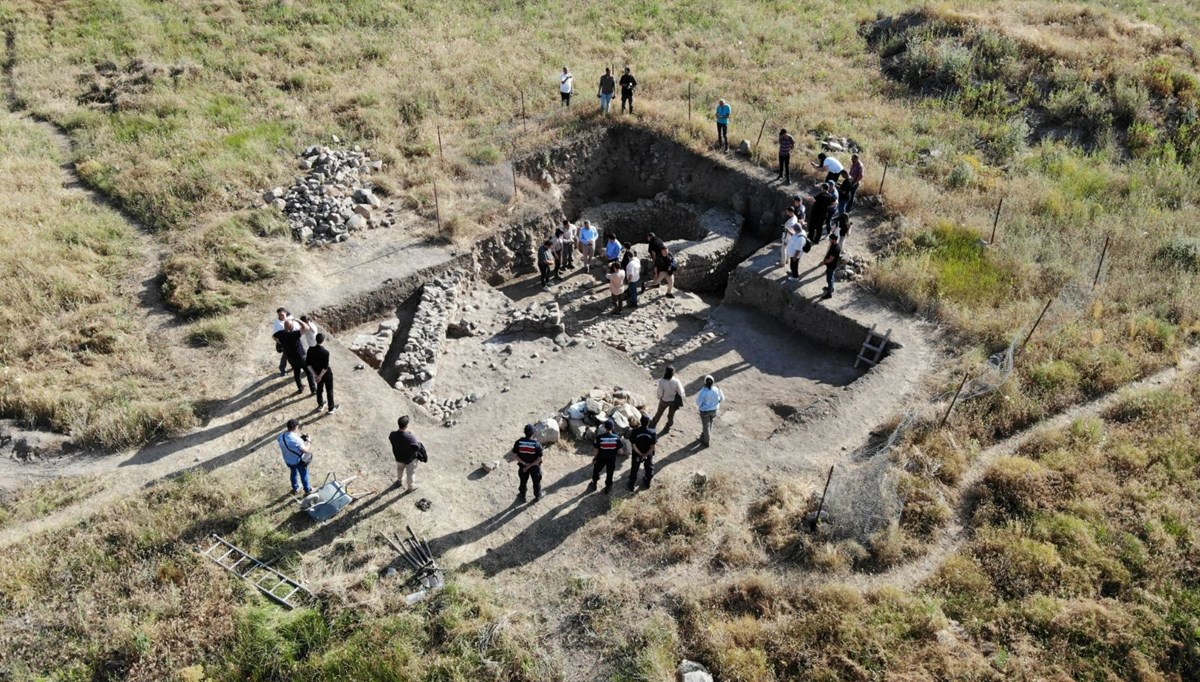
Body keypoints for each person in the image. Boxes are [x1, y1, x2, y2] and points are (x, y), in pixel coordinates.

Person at [274, 317, 317, 395]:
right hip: (301, 357)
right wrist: (297, 320)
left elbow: (273, 336)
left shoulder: (280, 333)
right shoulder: (294, 334)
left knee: (297, 373)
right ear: (291, 327)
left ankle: (300, 388)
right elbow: (306, 328)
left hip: (291, 358)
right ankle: (313, 389)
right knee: (309, 372)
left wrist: (279, 342)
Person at [277, 418, 313, 495]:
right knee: (304, 475)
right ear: (296, 427)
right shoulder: (296, 440)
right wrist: (309, 441)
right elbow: (306, 450)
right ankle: (308, 490)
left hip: (288, 460)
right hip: (298, 461)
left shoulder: (281, 436)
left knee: (293, 473)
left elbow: (288, 442)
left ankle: (296, 488)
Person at [305, 333, 338, 414]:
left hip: (316, 373)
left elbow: (308, 364)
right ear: (323, 341)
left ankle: (320, 405)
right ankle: (331, 408)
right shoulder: (325, 352)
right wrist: (320, 376)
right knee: (329, 390)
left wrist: (315, 375)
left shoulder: (310, 350)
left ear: (316, 340)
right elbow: (325, 367)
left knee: (319, 390)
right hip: (326, 374)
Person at [588, 419, 623, 494]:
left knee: (596, 470)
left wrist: (594, 458)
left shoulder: (600, 437)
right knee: (610, 473)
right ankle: (608, 487)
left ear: (604, 427)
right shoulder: (616, 438)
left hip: (601, 458)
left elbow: (596, 450)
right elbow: (621, 451)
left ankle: (594, 484)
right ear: (612, 427)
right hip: (611, 459)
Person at [390, 415, 423, 491]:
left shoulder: (392, 435)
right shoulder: (410, 437)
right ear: (406, 425)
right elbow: (417, 447)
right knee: (410, 474)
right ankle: (411, 487)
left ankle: (399, 481)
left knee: (400, 469)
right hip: (409, 459)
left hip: (398, 458)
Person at [512, 424, 544, 502]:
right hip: (535, 468)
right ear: (533, 433)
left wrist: (525, 464)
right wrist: (529, 465)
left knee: (523, 481)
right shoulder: (537, 445)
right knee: (536, 482)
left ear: (524, 432)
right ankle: (537, 496)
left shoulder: (519, 442)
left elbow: (514, 456)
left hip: (523, 467)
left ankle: (522, 495)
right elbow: (539, 459)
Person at [650, 366, 686, 432]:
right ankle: (668, 426)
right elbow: (681, 392)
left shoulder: (661, 381)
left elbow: (660, 392)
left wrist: (659, 397)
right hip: (673, 401)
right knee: (671, 415)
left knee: (659, 413)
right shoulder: (676, 381)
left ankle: (653, 424)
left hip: (664, 400)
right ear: (673, 373)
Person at [627, 414, 657, 491]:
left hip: (637, 453)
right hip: (648, 453)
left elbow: (633, 445)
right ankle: (648, 483)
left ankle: (631, 485)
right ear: (648, 423)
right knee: (649, 469)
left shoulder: (635, 431)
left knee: (634, 469)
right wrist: (645, 455)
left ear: (640, 422)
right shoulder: (652, 432)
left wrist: (640, 454)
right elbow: (653, 446)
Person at [695, 375, 725, 447]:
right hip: (714, 410)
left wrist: (702, 407)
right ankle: (705, 435)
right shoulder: (717, 389)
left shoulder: (703, 392)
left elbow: (698, 403)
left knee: (706, 426)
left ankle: (706, 441)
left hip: (705, 411)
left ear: (705, 382)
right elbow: (722, 398)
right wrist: (717, 402)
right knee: (710, 423)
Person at [821, 232, 842, 299]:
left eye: (830, 239)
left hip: (831, 265)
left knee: (829, 279)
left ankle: (829, 294)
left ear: (834, 240)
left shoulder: (835, 248)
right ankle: (831, 288)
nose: (829, 240)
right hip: (831, 265)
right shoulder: (834, 245)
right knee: (830, 277)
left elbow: (831, 259)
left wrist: (824, 262)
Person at [272, 308, 292, 376]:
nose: (281, 317)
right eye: (279, 315)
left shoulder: (289, 317)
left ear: (286, 313)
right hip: (285, 343)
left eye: (282, 315)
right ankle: (282, 369)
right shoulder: (278, 325)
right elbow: (274, 337)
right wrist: (281, 343)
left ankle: (293, 365)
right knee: (285, 356)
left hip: (292, 340)